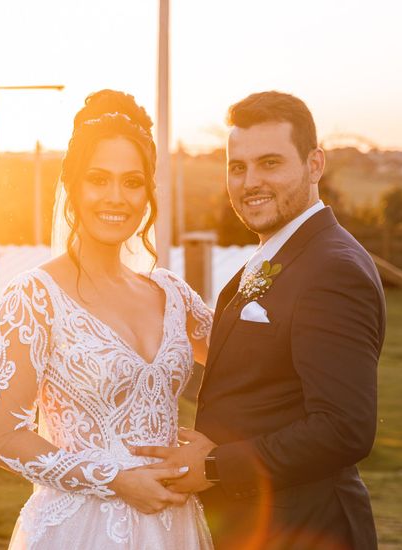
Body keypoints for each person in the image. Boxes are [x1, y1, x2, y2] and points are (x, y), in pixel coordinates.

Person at [134, 91, 386, 549]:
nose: (250, 182)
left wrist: (213, 467)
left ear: (314, 165)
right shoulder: (279, 253)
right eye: (238, 167)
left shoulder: (333, 269)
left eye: (270, 163)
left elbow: (344, 428)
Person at [0, 90, 215, 549]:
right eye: (98, 179)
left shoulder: (173, 295)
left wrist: (216, 450)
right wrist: (116, 479)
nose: (116, 197)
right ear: (71, 185)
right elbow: (1, 437)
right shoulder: (33, 298)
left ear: (149, 190)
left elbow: (252, 373)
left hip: (173, 527)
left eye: (132, 181)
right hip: (79, 530)